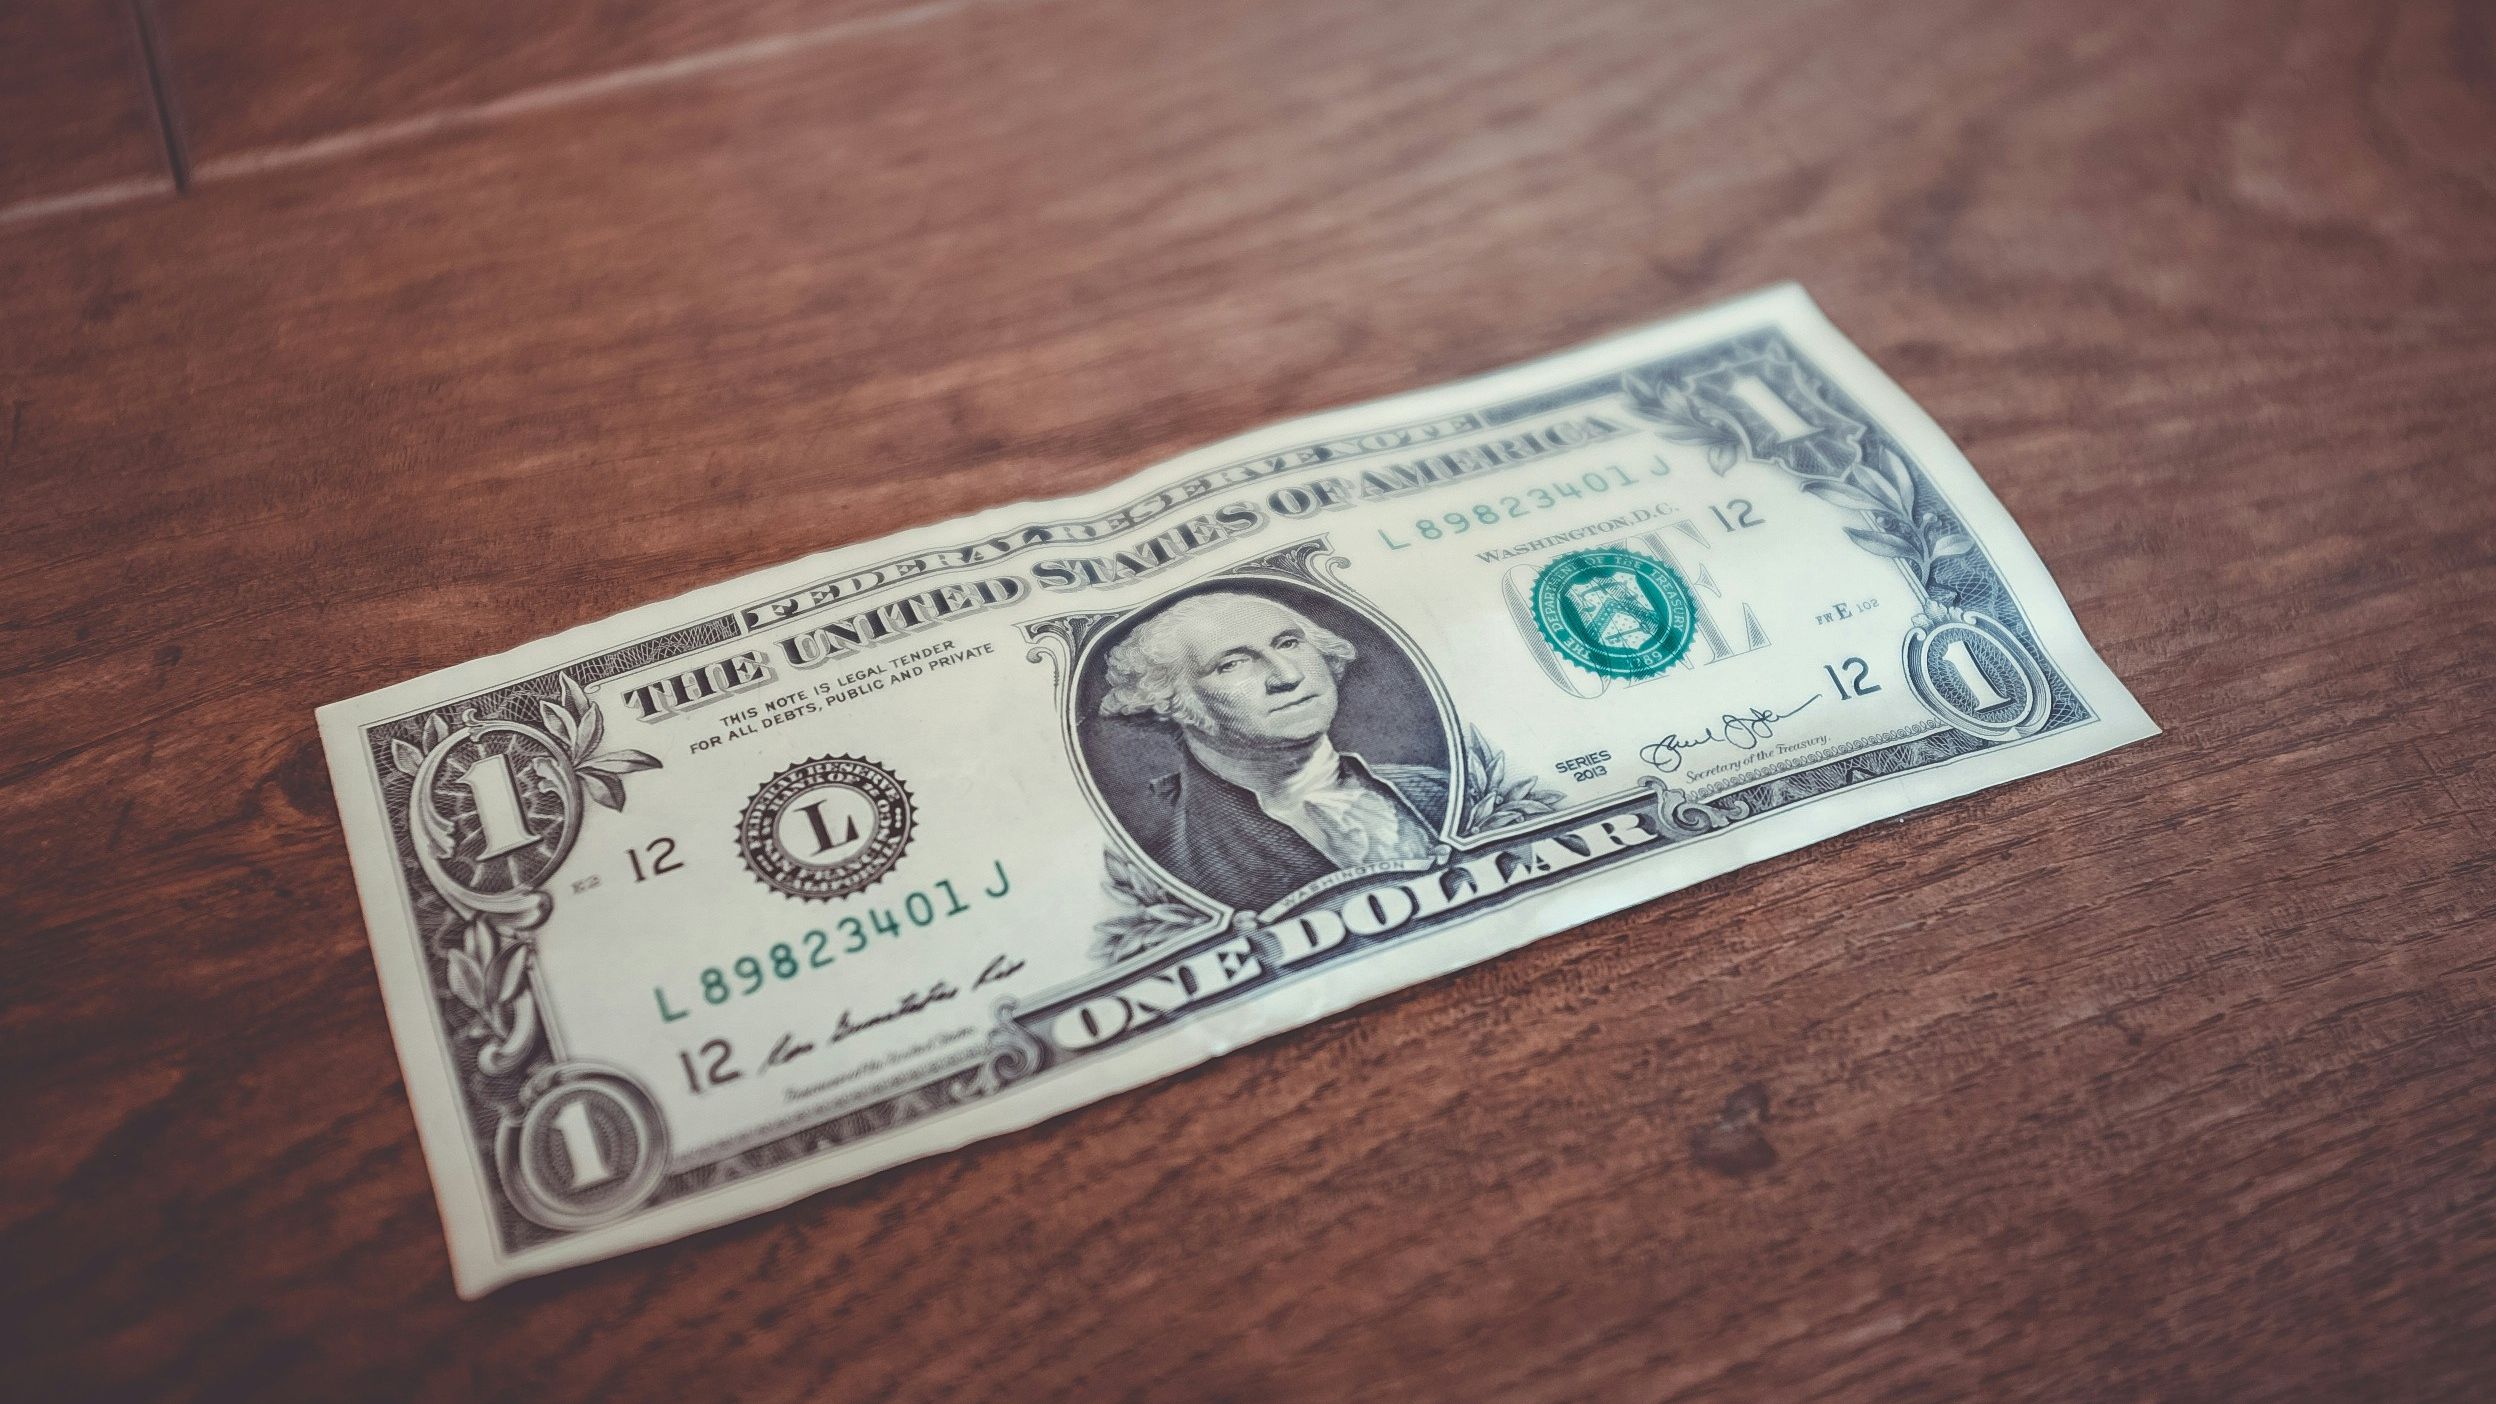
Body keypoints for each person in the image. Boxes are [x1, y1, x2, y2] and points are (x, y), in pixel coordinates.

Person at [1098, 591, 1448, 912]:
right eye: (1232, 664)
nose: (1287, 675)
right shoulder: (1176, 872)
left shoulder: (1436, 789)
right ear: (1170, 703)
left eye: (1289, 643)